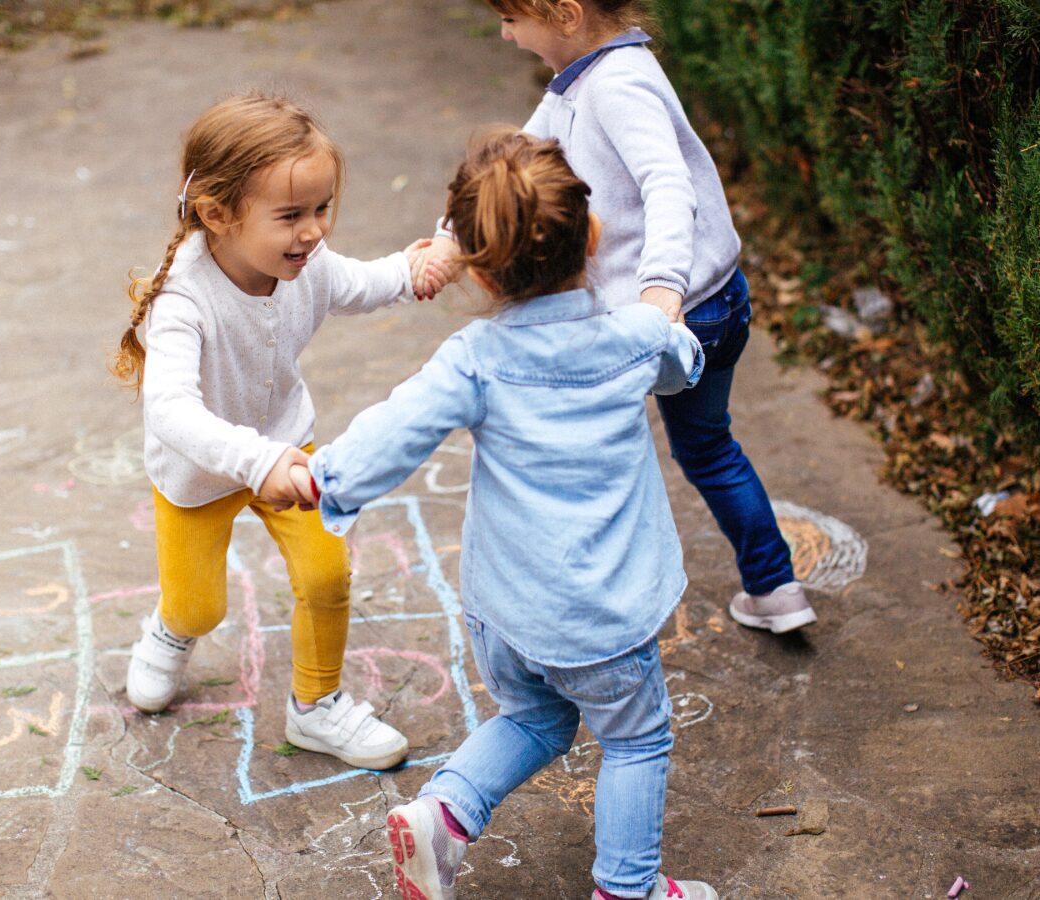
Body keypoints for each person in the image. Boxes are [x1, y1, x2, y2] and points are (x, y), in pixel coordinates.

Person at [292, 132, 717, 900]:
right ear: (592, 234)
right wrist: (664, 317)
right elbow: (682, 365)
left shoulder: (476, 357)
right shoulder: (632, 339)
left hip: (505, 610)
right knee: (635, 740)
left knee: (534, 719)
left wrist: (325, 478)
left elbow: (396, 429)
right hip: (602, 617)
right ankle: (627, 890)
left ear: (480, 272)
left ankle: (444, 814)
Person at [413, 0, 817, 634]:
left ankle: (594, 602)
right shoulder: (582, 79)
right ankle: (776, 590)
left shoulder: (617, 85)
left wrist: (662, 289)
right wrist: (447, 238)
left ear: (566, 14)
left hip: (670, 315)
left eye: (512, 20)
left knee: (592, 452)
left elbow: (668, 183)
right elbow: (510, 166)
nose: (505, 34)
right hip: (714, 300)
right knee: (709, 449)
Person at [110, 93, 426, 770]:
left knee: (326, 574)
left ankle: (316, 707)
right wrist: (258, 463)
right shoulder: (183, 299)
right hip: (200, 473)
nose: (312, 232)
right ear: (217, 214)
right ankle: (169, 630)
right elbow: (170, 409)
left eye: (322, 208)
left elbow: (364, 282)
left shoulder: (306, 264)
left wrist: (416, 269)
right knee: (199, 608)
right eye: (289, 216)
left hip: (287, 445)